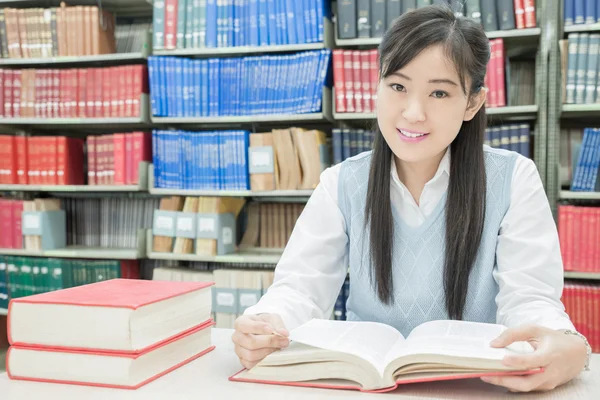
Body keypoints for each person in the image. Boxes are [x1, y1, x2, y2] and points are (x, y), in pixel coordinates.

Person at [231, 4, 591, 393]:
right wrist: (265, 324)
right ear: (378, 86)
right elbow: (300, 288)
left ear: (472, 102)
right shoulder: (342, 183)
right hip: (366, 386)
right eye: (398, 86)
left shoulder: (513, 179)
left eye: (439, 92)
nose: (413, 113)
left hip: (472, 387)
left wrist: (560, 342)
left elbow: (530, 298)